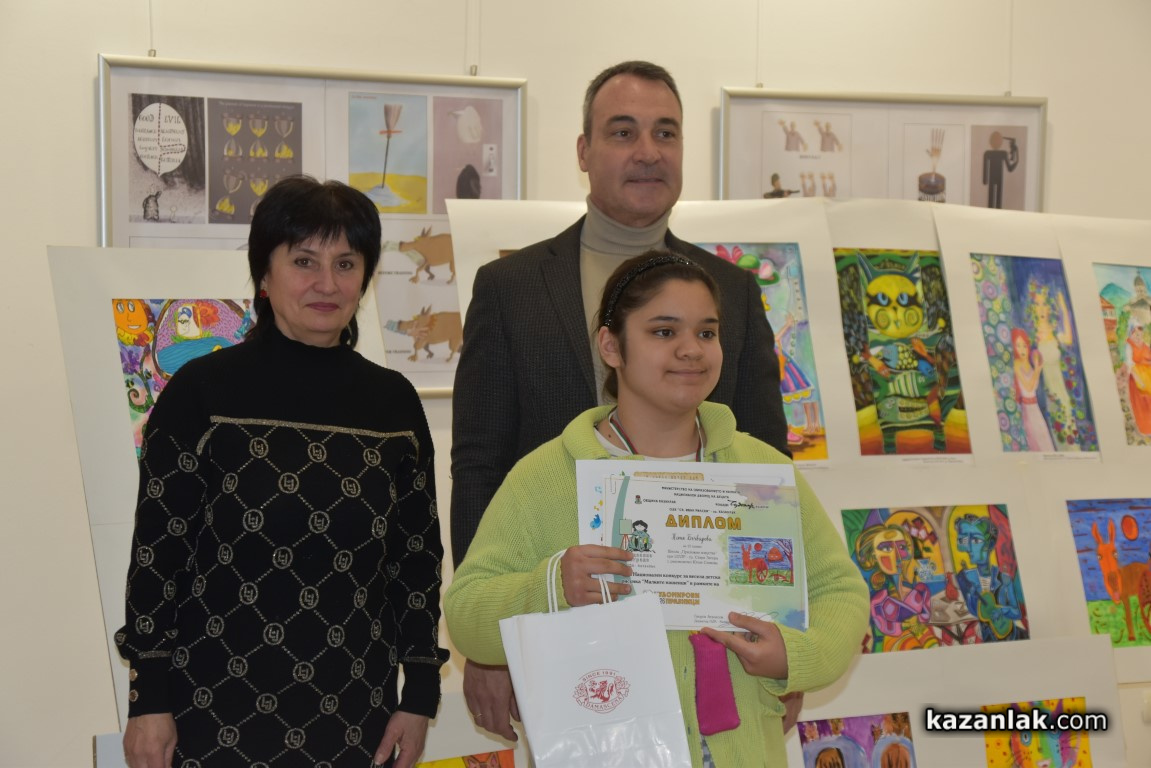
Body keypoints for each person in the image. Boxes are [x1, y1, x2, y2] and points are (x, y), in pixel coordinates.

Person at [450, 60, 792, 741]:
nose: (647, 151)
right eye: (622, 131)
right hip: (563, 630)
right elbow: (479, 466)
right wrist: (494, 648)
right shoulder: (510, 286)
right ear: (583, 151)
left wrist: (785, 644)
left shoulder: (731, 291)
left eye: (665, 132)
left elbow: (767, 470)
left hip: (711, 636)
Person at [445, 252, 868, 767]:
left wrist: (796, 656)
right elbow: (466, 614)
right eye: (664, 332)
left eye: (707, 332)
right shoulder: (549, 475)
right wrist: (550, 587)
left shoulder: (760, 470)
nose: (691, 349)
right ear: (611, 346)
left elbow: (839, 590)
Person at [117, 176, 448, 768]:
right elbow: (158, 556)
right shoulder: (201, 392)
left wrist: (420, 693)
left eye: (346, 263)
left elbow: (416, 561)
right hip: (210, 713)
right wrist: (148, 700)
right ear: (264, 275)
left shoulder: (394, 404)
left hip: (358, 714)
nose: (327, 283)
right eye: (303, 261)